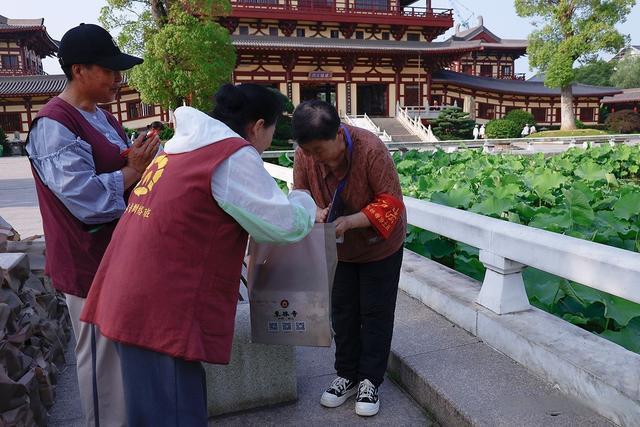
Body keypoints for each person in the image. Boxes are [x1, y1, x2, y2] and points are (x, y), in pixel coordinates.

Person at [80, 84, 317, 425]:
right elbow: (282, 225)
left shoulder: (178, 148)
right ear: (257, 125)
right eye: (272, 130)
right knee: (174, 414)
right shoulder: (231, 153)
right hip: (159, 310)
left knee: (153, 411)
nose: (269, 138)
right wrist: (303, 199)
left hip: (125, 297)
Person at [25, 23, 158, 426]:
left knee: (121, 358)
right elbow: (85, 200)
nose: (119, 79)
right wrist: (133, 169)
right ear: (79, 69)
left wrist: (137, 158)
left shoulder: (100, 116)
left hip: (115, 257)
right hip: (87, 264)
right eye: (109, 69)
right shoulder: (53, 125)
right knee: (103, 367)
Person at [291, 100, 407, 417]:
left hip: (378, 245)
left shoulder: (371, 149)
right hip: (338, 248)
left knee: (375, 312)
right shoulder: (305, 154)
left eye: (319, 151)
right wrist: (313, 210)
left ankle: (370, 379)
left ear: (339, 135)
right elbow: (299, 192)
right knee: (342, 311)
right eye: (309, 152)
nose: (316, 159)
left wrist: (350, 221)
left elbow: (391, 203)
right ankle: (346, 374)